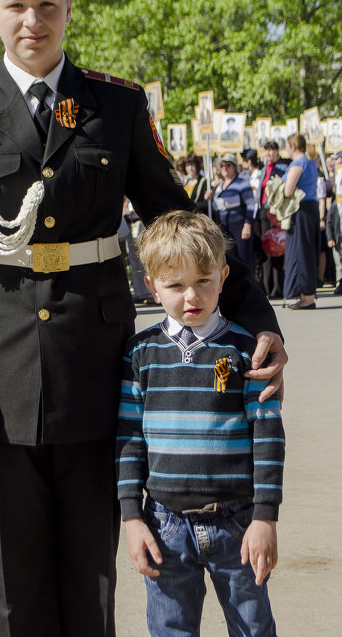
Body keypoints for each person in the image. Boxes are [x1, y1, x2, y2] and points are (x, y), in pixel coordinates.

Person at [0, 0, 286, 637]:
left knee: (93, 573)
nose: (33, 20)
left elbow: (180, 220)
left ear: (69, 5)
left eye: (47, 2)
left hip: (97, 368)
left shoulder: (114, 106)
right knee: (13, 580)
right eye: (16, 4)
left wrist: (258, 317)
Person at [116, 210, 284, 637]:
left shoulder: (247, 350)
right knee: (170, 629)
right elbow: (129, 441)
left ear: (224, 276)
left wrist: (265, 518)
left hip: (237, 524)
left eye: (204, 281)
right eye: (175, 285)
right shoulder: (140, 353)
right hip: (164, 527)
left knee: (252, 628)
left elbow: (268, 438)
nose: (192, 296)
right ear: (151, 285)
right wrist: (132, 519)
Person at [282, 133, 319, 309]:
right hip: (311, 208)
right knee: (308, 252)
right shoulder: (311, 160)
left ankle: (307, 297)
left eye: (287, 146)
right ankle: (307, 295)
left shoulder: (298, 164)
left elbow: (288, 191)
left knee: (301, 252)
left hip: (301, 210)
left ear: (293, 146)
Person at [207, 152, 255, 267]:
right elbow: (216, 207)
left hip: (239, 226)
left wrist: (247, 225)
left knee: (242, 259)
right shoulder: (220, 186)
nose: (224, 168)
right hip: (225, 227)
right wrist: (210, 197)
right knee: (229, 260)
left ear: (234, 167)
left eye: (228, 165)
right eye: (222, 165)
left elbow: (251, 205)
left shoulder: (242, 183)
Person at [255, 141, 287, 298]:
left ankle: (278, 287)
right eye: (266, 150)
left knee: (277, 249)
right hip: (263, 211)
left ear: (277, 152)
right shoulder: (263, 170)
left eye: (272, 150)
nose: (269, 153)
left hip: (275, 212)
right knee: (265, 249)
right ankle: (267, 287)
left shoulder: (282, 169)